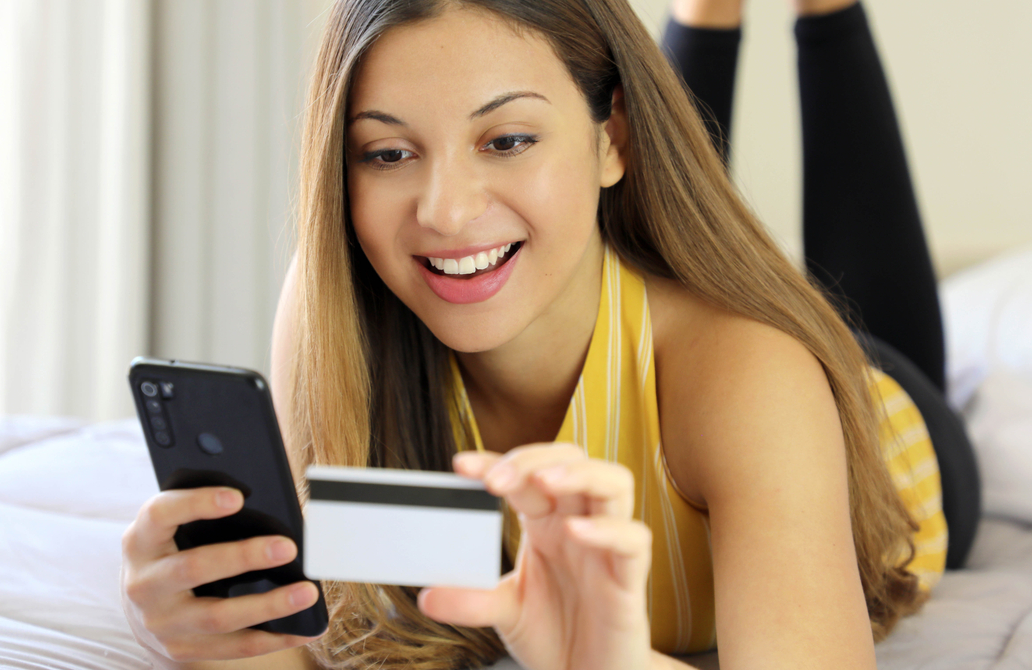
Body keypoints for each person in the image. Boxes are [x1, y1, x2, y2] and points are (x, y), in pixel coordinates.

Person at [119, 1, 974, 668]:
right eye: (386, 154)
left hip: (890, 425)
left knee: (854, 297)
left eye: (508, 138)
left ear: (614, 143)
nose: (446, 211)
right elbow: (315, 643)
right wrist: (208, 626)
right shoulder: (336, 308)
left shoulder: (751, 376)